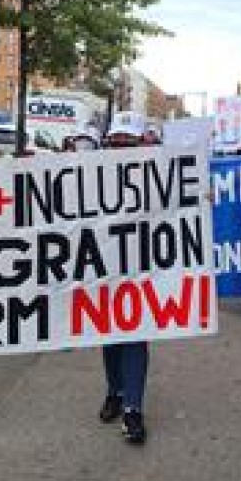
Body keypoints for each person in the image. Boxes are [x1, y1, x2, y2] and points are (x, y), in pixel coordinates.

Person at [98, 117, 151, 444]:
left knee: (134, 336)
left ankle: (133, 406)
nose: (120, 149)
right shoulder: (91, 176)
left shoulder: (158, 176)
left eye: (127, 144)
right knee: (109, 336)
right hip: (103, 268)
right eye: (115, 142)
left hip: (142, 270)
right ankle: (114, 391)